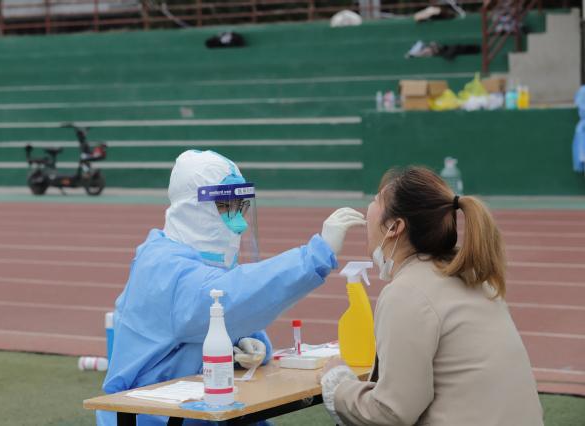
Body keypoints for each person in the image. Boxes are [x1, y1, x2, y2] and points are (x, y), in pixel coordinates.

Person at [97, 150, 366, 426]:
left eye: (241, 206)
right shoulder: (163, 267)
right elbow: (228, 299)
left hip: (196, 408)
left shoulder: (195, 260)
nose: (239, 221)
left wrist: (248, 346)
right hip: (151, 416)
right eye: (226, 206)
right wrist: (315, 256)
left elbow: (227, 320)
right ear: (194, 208)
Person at [320, 166, 543, 425]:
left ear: (394, 226)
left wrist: (338, 385)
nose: (368, 208)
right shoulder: (472, 277)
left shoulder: (407, 293)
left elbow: (391, 412)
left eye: (375, 200)